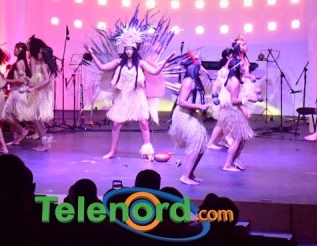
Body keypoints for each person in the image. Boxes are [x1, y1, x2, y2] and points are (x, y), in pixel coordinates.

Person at [88, 38, 174, 159]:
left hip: (138, 95)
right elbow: (102, 67)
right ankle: (112, 151)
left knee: (144, 123)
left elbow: (155, 72)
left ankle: (148, 152)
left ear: (134, 50)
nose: (129, 51)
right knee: (116, 124)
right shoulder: (119, 62)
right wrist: (91, 53)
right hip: (124, 96)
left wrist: (166, 60)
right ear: (124, 50)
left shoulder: (141, 63)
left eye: (131, 49)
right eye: (127, 49)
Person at [168, 55, 210, 185]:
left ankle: (190, 173)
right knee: (196, 144)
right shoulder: (188, 81)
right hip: (184, 115)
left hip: (191, 114)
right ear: (192, 66)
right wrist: (200, 106)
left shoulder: (195, 80)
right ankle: (185, 176)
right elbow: (181, 102)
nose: (201, 67)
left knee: (201, 146)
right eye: (199, 64)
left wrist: (205, 103)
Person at [218, 51, 255, 171]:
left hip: (234, 110)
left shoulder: (234, 78)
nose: (245, 67)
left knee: (241, 137)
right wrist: (247, 99)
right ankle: (227, 165)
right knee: (237, 138)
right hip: (233, 111)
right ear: (236, 67)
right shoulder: (234, 81)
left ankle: (235, 160)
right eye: (243, 66)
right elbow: (234, 100)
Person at [24, 36, 56, 151]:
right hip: (42, 92)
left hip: (40, 93)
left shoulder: (42, 65)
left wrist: (32, 88)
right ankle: (44, 141)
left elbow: (46, 80)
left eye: (41, 53)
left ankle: (44, 141)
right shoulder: (46, 65)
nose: (39, 54)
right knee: (36, 118)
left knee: (36, 118)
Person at [3, 42, 32, 145]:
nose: (14, 50)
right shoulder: (22, 62)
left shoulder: (19, 63)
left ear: (20, 50)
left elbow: (21, 80)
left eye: (16, 48)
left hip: (17, 92)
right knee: (12, 115)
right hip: (15, 91)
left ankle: (22, 130)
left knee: (5, 114)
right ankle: (16, 137)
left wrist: (6, 81)